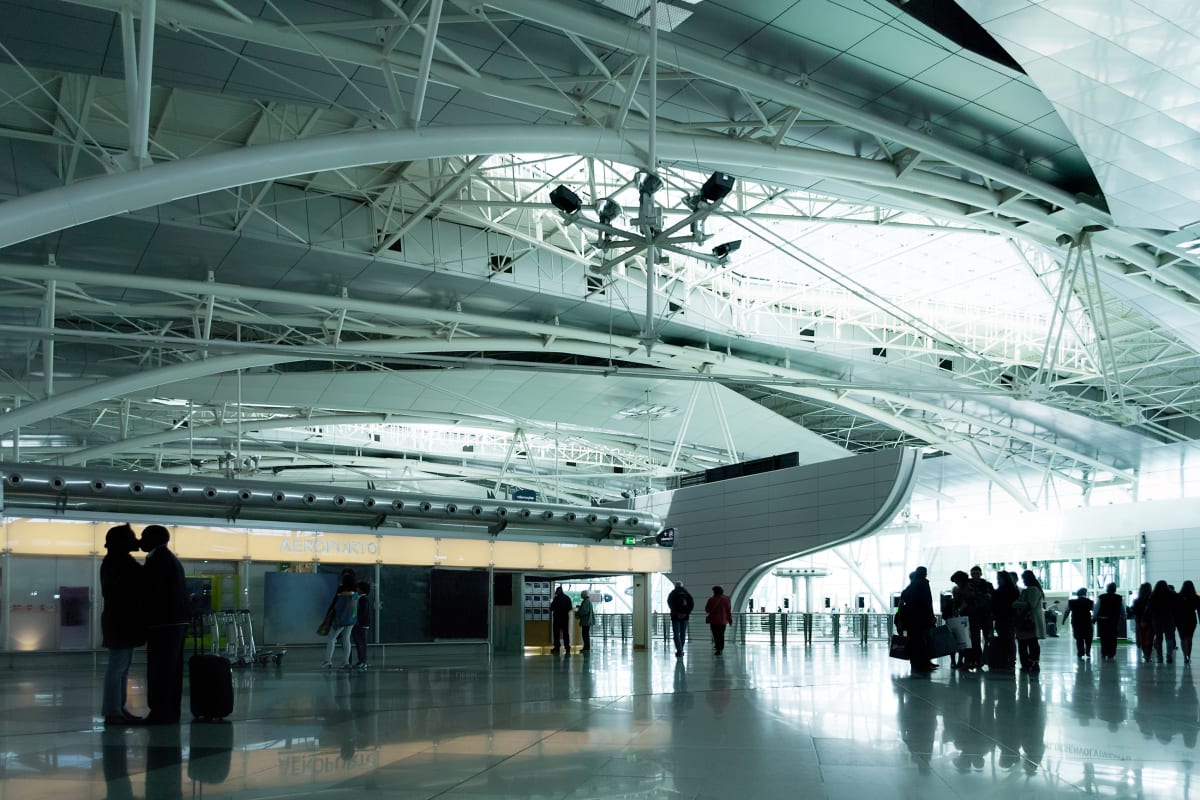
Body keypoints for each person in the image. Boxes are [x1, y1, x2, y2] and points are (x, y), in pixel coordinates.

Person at [140, 524, 190, 725]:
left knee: (160, 669)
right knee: (171, 669)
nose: (140, 541)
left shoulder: (158, 560)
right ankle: (169, 711)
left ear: (154, 539)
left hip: (164, 624)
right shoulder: (169, 559)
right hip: (174, 622)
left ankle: (160, 712)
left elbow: (151, 592)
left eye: (144, 537)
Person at [100, 523, 146, 726]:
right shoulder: (118, 562)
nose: (135, 541)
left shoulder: (117, 561)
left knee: (121, 668)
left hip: (120, 621)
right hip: (121, 621)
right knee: (118, 667)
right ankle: (113, 711)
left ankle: (118, 708)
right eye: (131, 537)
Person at [898, 567, 936, 673]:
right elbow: (928, 601)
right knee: (924, 641)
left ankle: (916, 663)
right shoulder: (924, 583)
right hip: (923, 618)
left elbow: (901, 604)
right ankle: (924, 663)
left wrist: (901, 621)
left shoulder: (908, 588)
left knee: (914, 641)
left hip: (911, 619)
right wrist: (932, 616)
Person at [1012, 570, 1047, 673]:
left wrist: (1015, 604)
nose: (1023, 581)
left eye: (1024, 579)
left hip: (1029, 620)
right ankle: (1032, 662)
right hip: (1031, 620)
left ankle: (1030, 663)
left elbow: (1030, 604)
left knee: (1026, 643)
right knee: (1031, 643)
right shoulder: (1035, 589)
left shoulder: (1032, 590)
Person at [322, 574, 359, 668]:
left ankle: (328, 661)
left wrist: (330, 614)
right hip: (351, 619)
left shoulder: (341, 590)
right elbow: (355, 607)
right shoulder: (355, 593)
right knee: (346, 639)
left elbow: (336, 604)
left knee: (331, 639)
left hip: (340, 619)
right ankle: (346, 661)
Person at [992, 570, 1019, 671]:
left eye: (999, 579)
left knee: (1008, 639)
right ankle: (1007, 660)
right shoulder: (1010, 591)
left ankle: (1010, 660)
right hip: (1003, 618)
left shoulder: (1008, 591)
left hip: (1007, 618)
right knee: (1006, 639)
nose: (998, 581)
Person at [1094, 582, 1125, 661]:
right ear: (1115, 589)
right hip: (1114, 620)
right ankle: (1112, 653)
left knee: (1104, 637)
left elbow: (1097, 608)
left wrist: (1094, 618)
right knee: (1113, 637)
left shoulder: (1101, 597)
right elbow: (1122, 609)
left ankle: (1104, 652)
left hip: (1102, 619)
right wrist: (1124, 616)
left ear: (1107, 589)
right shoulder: (1119, 598)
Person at [1149, 580, 1178, 664]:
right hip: (1169, 619)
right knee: (1169, 638)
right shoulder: (1172, 594)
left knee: (1159, 638)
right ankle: (1169, 656)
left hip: (1157, 619)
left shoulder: (1154, 595)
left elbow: (1150, 607)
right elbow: (1177, 606)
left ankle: (1160, 657)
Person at [1062, 588, 1095, 659]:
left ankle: (1081, 653)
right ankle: (1088, 652)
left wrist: (1064, 620)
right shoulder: (1090, 602)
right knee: (1088, 638)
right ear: (1085, 594)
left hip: (1076, 622)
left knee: (1079, 638)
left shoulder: (1071, 602)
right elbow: (1094, 610)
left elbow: (1067, 611)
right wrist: (1094, 619)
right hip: (1087, 622)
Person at [666, 581, 695, 657]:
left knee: (676, 633)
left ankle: (679, 650)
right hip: (685, 617)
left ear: (675, 586)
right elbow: (691, 604)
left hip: (675, 617)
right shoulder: (686, 593)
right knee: (683, 633)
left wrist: (677, 613)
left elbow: (670, 603)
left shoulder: (672, 594)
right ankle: (681, 649)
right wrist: (686, 613)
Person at [704, 585, 733, 654]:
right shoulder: (725, 600)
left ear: (714, 592)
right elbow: (728, 611)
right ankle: (721, 647)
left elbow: (707, 610)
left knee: (715, 635)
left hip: (713, 621)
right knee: (721, 634)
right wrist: (730, 620)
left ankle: (718, 647)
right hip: (722, 621)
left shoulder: (711, 599)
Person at [1176, 580, 1199, 665]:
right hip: (1191, 620)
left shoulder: (1178, 596)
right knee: (1189, 638)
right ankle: (1188, 656)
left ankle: (1185, 656)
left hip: (1180, 620)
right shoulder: (1196, 597)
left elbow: (1175, 609)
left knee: (1182, 638)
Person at [1129, 583, 1153, 662]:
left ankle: (1145, 654)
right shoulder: (1151, 600)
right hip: (1150, 622)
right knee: (1149, 639)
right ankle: (1148, 655)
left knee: (1142, 638)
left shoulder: (1137, 601)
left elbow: (1134, 611)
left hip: (1139, 621)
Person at [351, 581, 371, 670]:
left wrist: (357, 620)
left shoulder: (363, 600)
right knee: (360, 643)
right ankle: (361, 660)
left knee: (361, 643)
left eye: (358, 588)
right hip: (362, 623)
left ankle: (363, 661)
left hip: (361, 624)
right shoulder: (361, 599)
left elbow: (362, 612)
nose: (356, 589)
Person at [550, 586, 572, 654]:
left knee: (556, 633)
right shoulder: (567, 598)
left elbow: (551, 608)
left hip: (557, 618)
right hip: (565, 618)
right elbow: (570, 608)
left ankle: (557, 647)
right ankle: (567, 647)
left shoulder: (556, 598)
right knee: (566, 633)